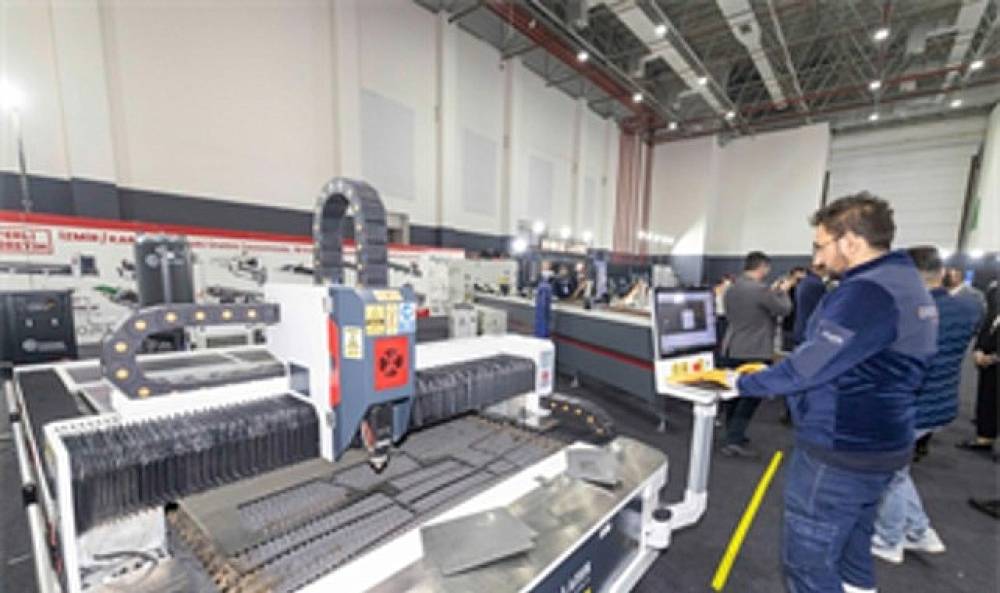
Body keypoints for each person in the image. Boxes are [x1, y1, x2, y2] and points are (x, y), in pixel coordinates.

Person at [734, 193, 937, 593]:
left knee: (807, 565)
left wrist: (738, 383)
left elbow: (809, 367)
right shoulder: (906, 282)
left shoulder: (867, 292)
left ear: (851, 242)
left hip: (840, 449)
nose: (818, 258)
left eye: (821, 245)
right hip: (883, 444)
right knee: (852, 553)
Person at [870, 246, 982, 564]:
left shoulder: (912, 312)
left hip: (911, 406)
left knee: (887, 471)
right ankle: (919, 531)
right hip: (942, 402)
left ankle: (890, 539)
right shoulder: (967, 308)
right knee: (898, 470)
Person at [719, 251, 793, 458]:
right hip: (754, 350)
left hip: (731, 346)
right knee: (751, 396)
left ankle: (732, 433)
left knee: (733, 394)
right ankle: (734, 439)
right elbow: (784, 310)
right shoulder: (761, 290)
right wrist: (782, 292)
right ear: (762, 267)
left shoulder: (731, 288)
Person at [958, 281, 999, 452]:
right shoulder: (995, 292)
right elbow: (987, 323)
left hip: (995, 357)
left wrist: (996, 356)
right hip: (988, 356)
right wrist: (979, 348)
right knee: (986, 397)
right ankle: (984, 437)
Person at [792, 265, 826, 348]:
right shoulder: (817, 285)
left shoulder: (803, 282)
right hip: (811, 329)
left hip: (800, 327)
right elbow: (823, 306)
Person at [780, 267, 808, 351]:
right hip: (789, 327)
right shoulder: (786, 290)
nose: (800, 282)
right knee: (787, 352)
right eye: (798, 279)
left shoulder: (807, 290)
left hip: (802, 327)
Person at [534, 264, 553, 338]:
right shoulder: (546, 286)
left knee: (542, 319)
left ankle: (542, 333)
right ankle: (542, 333)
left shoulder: (544, 286)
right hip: (543, 308)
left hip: (543, 308)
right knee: (543, 319)